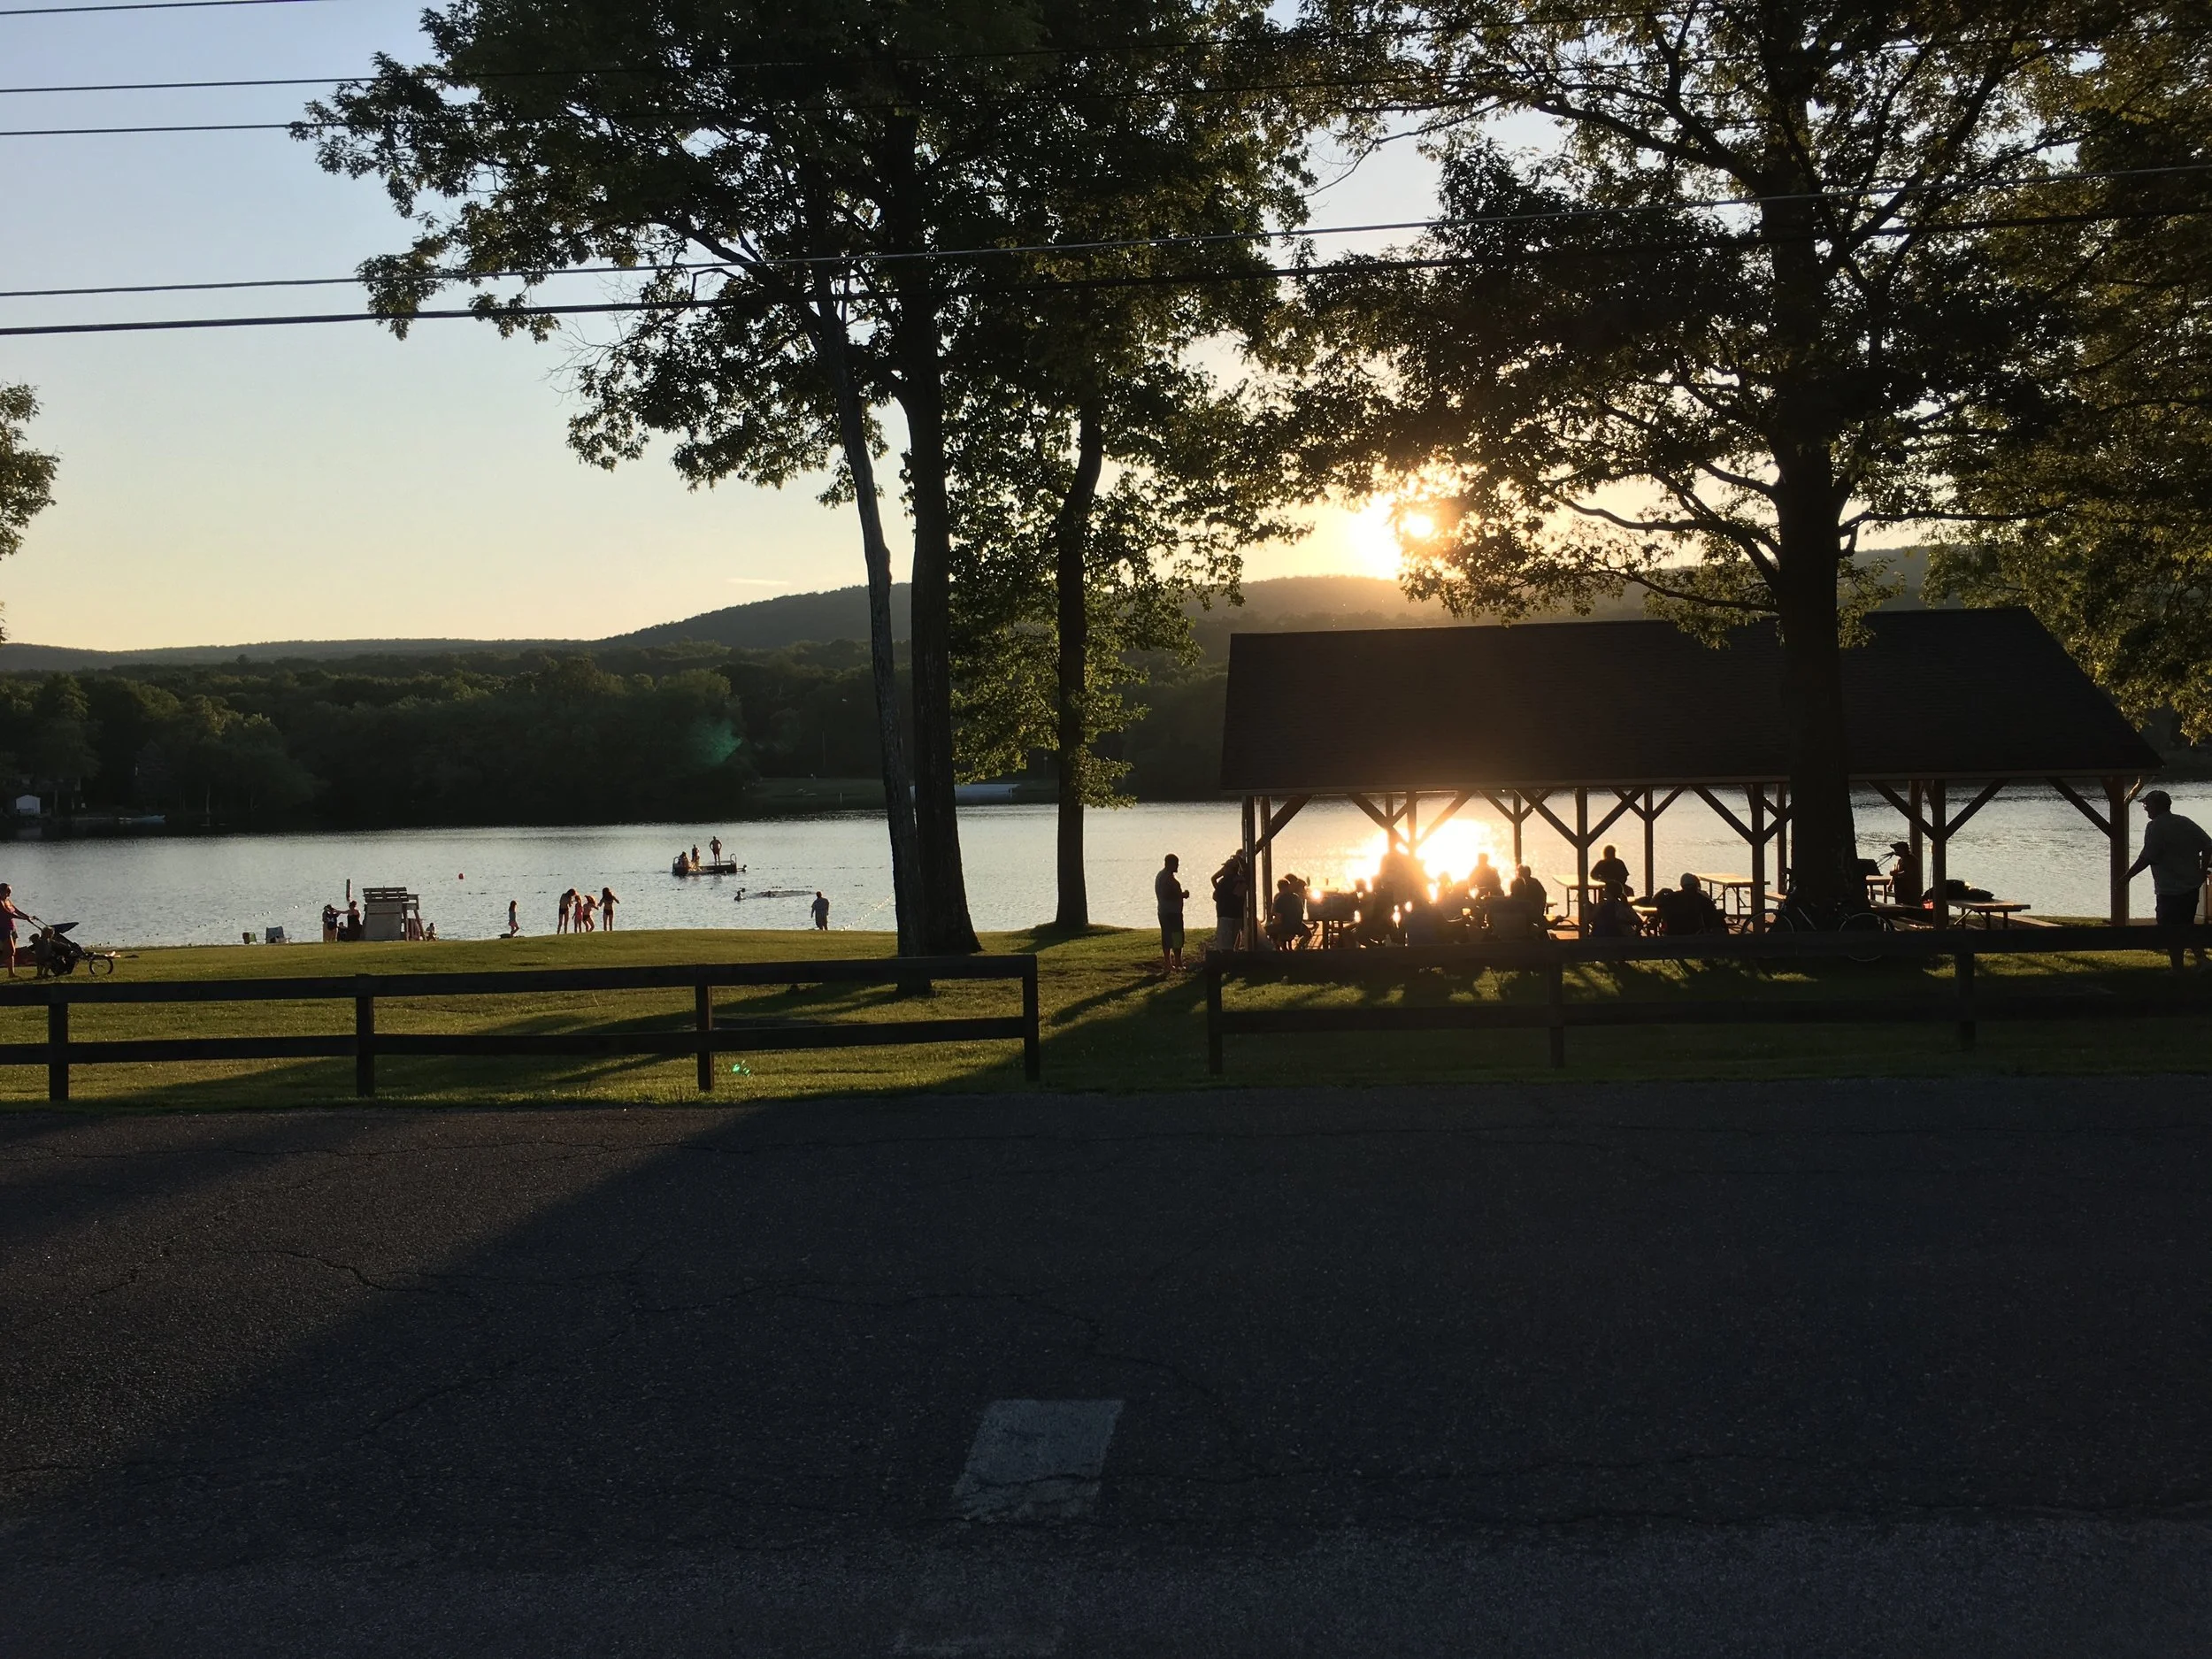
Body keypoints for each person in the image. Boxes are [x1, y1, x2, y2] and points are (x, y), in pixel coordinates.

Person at [2128, 789, 2212, 970]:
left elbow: (2147, 857)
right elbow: (2208, 844)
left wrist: (2125, 878)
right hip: (2190, 885)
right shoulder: (2184, 822)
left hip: (2169, 889)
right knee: (2187, 925)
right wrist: (2202, 870)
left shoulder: (2155, 827)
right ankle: (2202, 960)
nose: (2145, 809)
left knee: (2169, 929)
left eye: (2147, 805)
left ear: (2157, 806)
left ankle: (2178, 968)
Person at [1652, 872, 1725, 936]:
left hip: (1673, 934)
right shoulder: (1703, 900)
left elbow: (1653, 902)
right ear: (1696, 885)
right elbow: (1712, 916)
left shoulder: (1671, 898)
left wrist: (1662, 891)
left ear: (1682, 885)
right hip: (1696, 934)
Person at [1210, 850, 1249, 955]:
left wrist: (1215, 878)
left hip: (1225, 915)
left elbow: (1215, 896)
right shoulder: (1241, 880)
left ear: (1230, 869)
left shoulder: (1224, 882)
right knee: (1233, 942)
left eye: (1226, 868)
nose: (1224, 870)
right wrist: (1240, 860)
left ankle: (1227, 963)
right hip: (1237, 915)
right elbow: (1247, 873)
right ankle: (1232, 960)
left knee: (1225, 945)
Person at [1154, 855, 1187, 971]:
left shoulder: (1162, 876)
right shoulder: (1166, 878)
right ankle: (1171, 963)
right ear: (1169, 864)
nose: (1178, 866)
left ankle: (1175, 962)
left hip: (1166, 911)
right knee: (1174, 936)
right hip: (1170, 912)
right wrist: (1182, 895)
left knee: (1171, 935)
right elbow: (1167, 894)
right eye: (1176, 863)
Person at [1267, 874, 1310, 949]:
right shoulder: (1296, 897)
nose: (1296, 885)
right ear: (1289, 885)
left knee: (1267, 930)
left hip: (1286, 925)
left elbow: (1275, 914)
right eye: (1295, 883)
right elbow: (1301, 912)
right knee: (1308, 934)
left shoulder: (1279, 898)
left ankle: (1277, 945)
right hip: (1297, 925)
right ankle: (1297, 948)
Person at [1886, 840, 1924, 906]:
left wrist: (1896, 874)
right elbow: (1896, 873)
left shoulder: (1910, 859)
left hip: (1911, 890)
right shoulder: (1900, 860)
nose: (1895, 850)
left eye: (1896, 849)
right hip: (1902, 891)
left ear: (1902, 850)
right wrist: (1890, 883)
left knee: (1912, 909)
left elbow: (1909, 873)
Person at [0, 883, 24, 978]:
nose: (9, 894)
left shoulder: (8, 900)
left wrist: (27, 917)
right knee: (10, 952)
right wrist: (22, 918)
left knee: (11, 953)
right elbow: (7, 913)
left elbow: (16, 910)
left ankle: (11, 974)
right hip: (3, 929)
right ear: (2, 891)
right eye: (8, 892)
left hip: (12, 927)